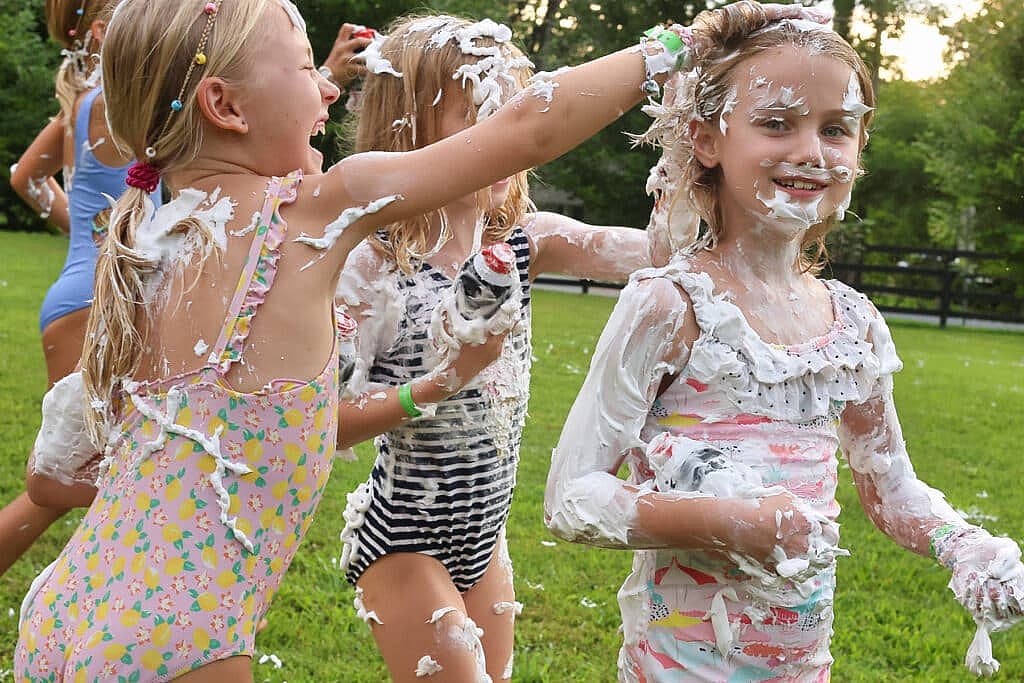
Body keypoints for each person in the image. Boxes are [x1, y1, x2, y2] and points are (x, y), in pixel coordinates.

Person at [13, 0, 713, 679]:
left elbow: (53, 475)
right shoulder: (315, 211)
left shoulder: (140, 242)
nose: (326, 91)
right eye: (301, 69)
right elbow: (532, 129)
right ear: (225, 106)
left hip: (71, 604)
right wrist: (678, 46)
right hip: (180, 631)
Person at [543, 2, 1024, 681]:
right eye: (776, 123)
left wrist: (963, 543)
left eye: (836, 129)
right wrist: (726, 520)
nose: (810, 151)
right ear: (709, 140)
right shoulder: (671, 305)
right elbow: (571, 496)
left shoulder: (853, 324)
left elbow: (890, 488)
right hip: (675, 668)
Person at [332, 15, 651, 682]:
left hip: (486, 536)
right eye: (484, 118)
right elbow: (322, 422)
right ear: (411, 135)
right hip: (402, 537)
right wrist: (442, 383)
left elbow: (663, 253)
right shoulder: (375, 266)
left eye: (516, 117)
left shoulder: (527, 244)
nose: (512, 140)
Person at [1, 0, 162, 577]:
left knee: (86, 473)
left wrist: (92, 230)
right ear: (102, 32)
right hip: (105, 305)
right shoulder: (122, 103)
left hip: (85, 294)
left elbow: (25, 177)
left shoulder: (86, 106)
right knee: (76, 479)